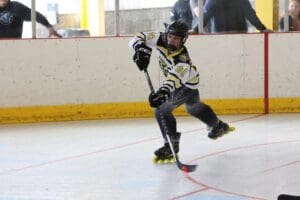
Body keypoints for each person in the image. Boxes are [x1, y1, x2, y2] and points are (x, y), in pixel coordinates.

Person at [129, 21, 231, 163]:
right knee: (193, 108)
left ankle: (171, 145)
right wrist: (141, 50)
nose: (171, 40)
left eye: (176, 39)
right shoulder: (160, 38)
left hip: (185, 85)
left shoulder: (181, 60)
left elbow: (173, 79)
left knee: (161, 109)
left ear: (183, 40)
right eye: (170, 36)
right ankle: (217, 125)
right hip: (191, 81)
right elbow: (139, 37)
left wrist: (163, 92)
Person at [191, 0, 268, 33]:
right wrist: (195, 29)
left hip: (237, 35)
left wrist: (262, 28)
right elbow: (206, 15)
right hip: (224, 35)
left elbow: (250, 14)